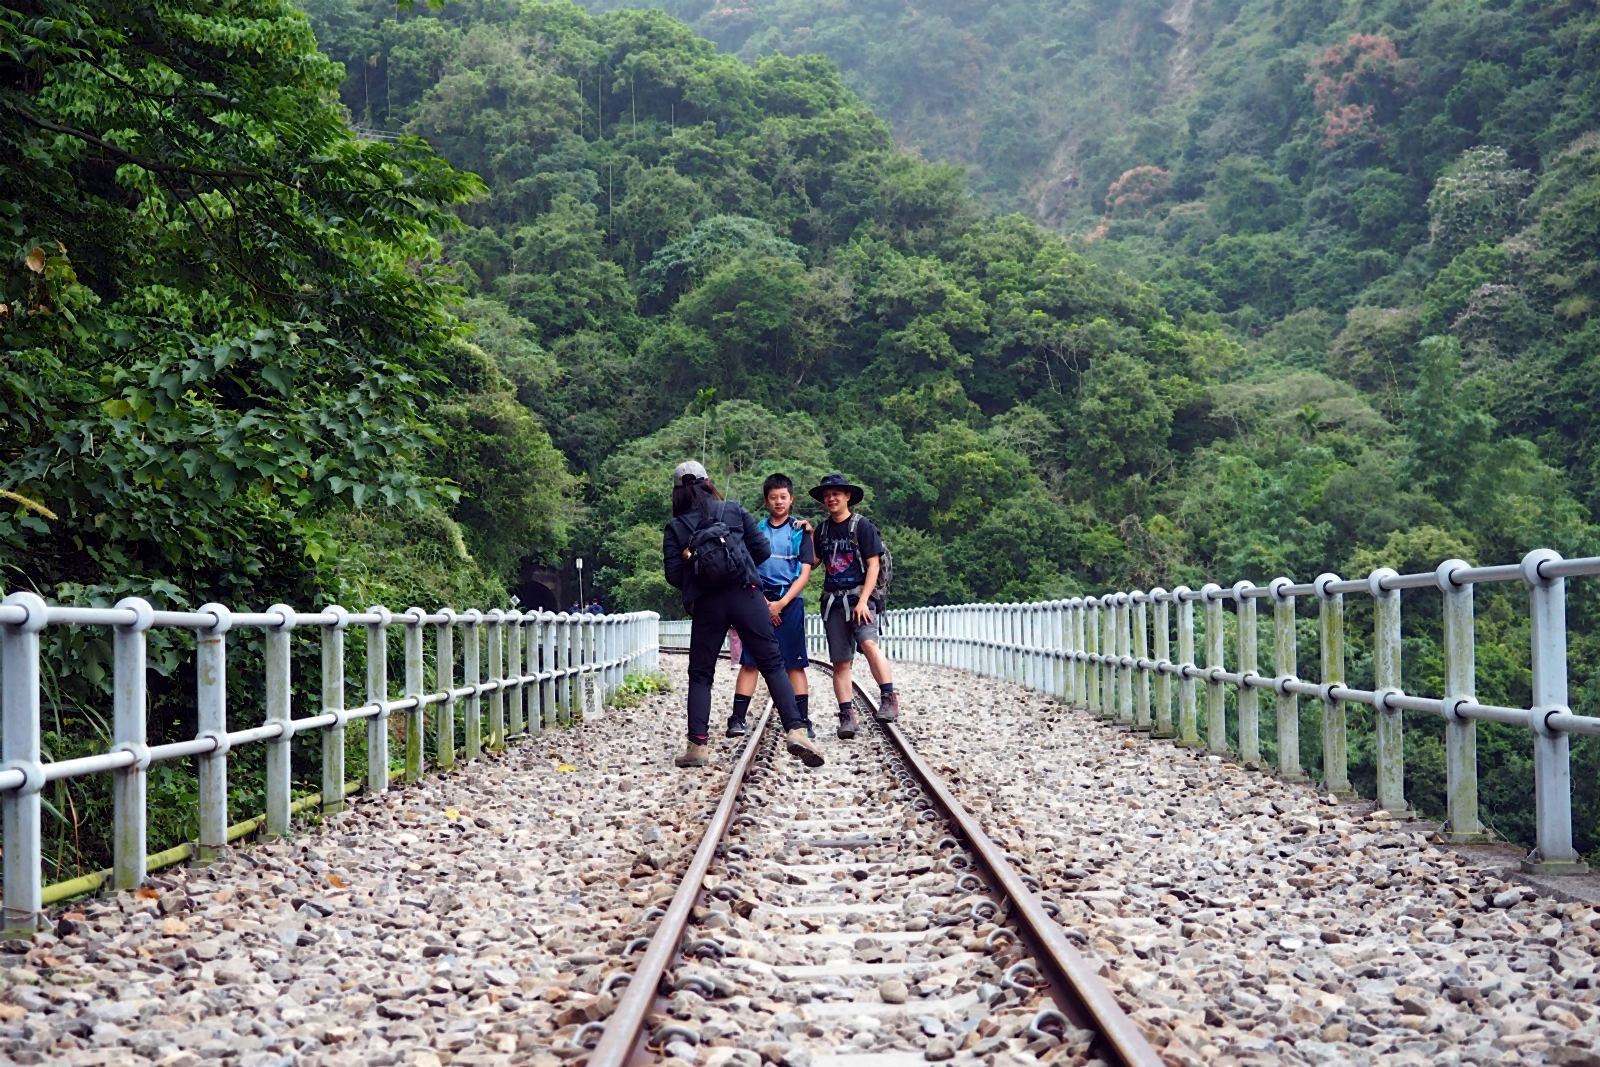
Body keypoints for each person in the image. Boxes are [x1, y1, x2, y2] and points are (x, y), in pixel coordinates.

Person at [663, 460, 824, 769]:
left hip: (708, 602)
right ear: (708, 483)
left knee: (701, 673)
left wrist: (699, 573)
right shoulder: (733, 510)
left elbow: (673, 574)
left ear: (678, 493)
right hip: (747, 594)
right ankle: (796, 730)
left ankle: (697, 746)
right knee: (773, 663)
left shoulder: (677, 526)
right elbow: (761, 550)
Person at [810, 473, 898, 737]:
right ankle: (847, 716)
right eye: (827, 495)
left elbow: (874, 565)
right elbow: (813, 563)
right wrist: (805, 532)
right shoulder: (823, 530)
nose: (831, 498)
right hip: (833, 602)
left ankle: (889, 697)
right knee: (840, 662)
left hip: (861, 598)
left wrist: (863, 601)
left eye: (836, 494)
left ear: (848, 496)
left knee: (869, 644)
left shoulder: (862, 527)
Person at [728, 474, 814, 739]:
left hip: (790, 602)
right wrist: (766, 604)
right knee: (750, 662)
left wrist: (781, 604)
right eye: (773, 497)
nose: (779, 502)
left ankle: (802, 720)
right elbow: (745, 566)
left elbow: (805, 573)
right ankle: (737, 718)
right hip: (758, 600)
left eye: (783, 497)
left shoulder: (800, 531)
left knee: (794, 664)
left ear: (791, 498)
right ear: (766, 500)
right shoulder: (757, 530)